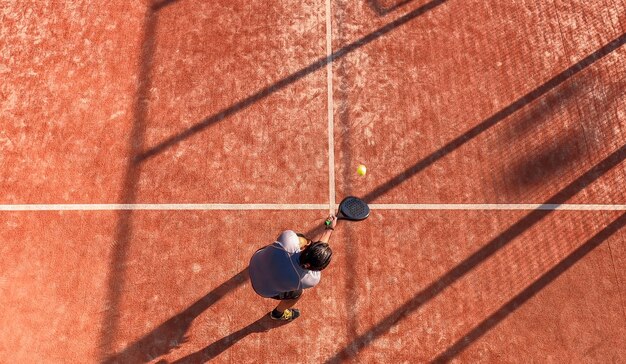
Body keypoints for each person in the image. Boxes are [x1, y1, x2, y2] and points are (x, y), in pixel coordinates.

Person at [249, 215, 338, 321]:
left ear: (305, 248)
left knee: (301, 238)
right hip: (262, 290)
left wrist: (329, 228)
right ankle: (278, 314)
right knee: (298, 293)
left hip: (256, 261)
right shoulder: (311, 280)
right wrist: (329, 231)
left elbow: (308, 246)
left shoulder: (288, 240)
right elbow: (314, 258)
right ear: (317, 269)